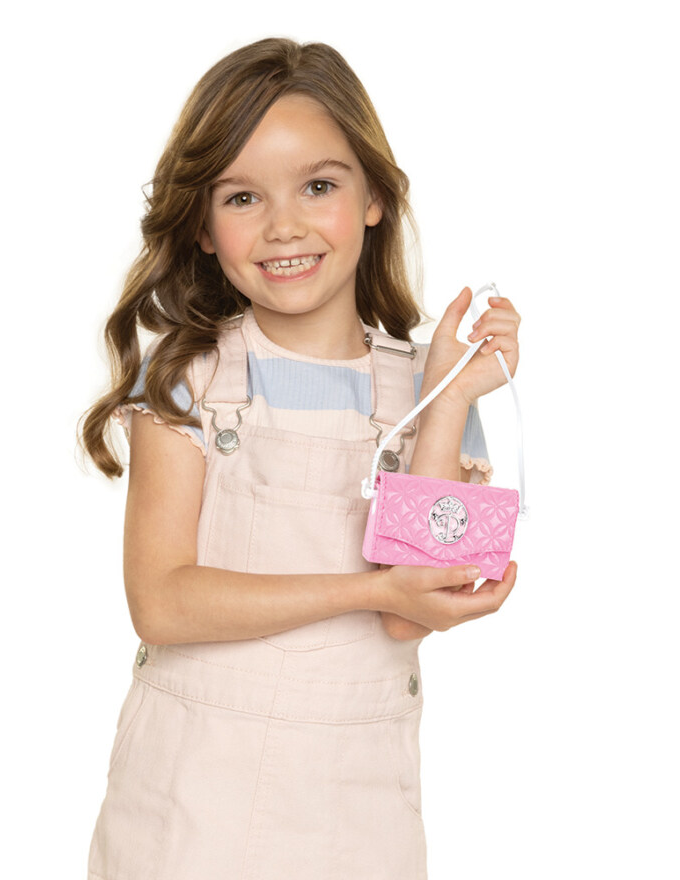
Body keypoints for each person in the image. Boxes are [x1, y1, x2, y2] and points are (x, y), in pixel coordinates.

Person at [81, 37, 521, 880]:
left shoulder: (434, 388)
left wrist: (449, 398)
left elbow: (415, 611)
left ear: (374, 198)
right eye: (243, 196)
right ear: (202, 227)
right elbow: (162, 602)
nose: (283, 226)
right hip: (190, 813)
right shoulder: (187, 377)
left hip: (361, 819)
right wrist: (368, 589)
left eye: (318, 186)